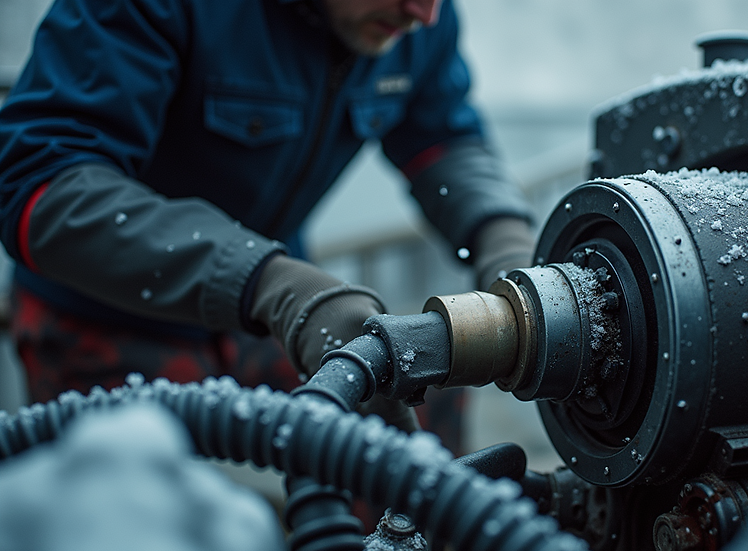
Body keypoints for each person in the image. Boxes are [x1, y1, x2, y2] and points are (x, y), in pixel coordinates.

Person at [0, 0, 536, 450]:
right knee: (143, 511)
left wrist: (504, 237)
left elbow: (443, 142)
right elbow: (41, 186)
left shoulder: (415, 20)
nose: (423, 12)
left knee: (420, 391)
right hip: (105, 319)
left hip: (268, 313)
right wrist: (270, 285)